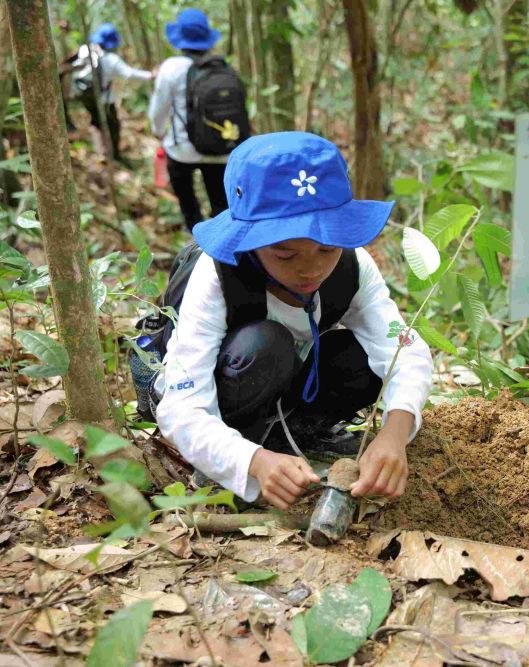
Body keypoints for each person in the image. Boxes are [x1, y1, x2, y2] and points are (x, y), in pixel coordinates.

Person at [143, 132, 433, 510]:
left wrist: (395, 434)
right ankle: (243, 450)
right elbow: (181, 407)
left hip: (291, 388)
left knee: (362, 358)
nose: (310, 268)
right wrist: (251, 462)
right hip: (232, 388)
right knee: (265, 344)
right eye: (284, 254)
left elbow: (404, 349)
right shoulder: (218, 276)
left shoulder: (352, 267)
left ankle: (297, 433)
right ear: (249, 240)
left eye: (327, 248)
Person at [149, 8, 250, 232]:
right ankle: (223, 243)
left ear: (179, 40)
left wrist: (158, 132)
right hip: (222, 150)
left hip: (182, 152)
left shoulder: (171, 68)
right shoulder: (223, 67)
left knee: (187, 200)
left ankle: (194, 237)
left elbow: (158, 112)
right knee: (221, 204)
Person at [68, 22, 154, 162]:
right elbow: (129, 73)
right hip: (103, 100)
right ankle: (114, 156)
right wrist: (151, 75)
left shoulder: (86, 50)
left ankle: (101, 152)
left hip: (83, 95)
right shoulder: (111, 59)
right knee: (113, 126)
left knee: (96, 123)